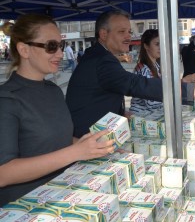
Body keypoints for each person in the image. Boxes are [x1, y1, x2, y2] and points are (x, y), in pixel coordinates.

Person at [0, 13, 115, 207]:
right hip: (27, 207)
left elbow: (56, 138)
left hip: (64, 196)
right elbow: (3, 173)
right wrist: (76, 152)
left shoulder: (53, 90)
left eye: (60, 46)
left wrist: (92, 146)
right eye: (51, 46)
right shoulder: (6, 99)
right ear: (24, 50)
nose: (61, 54)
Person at [66, 10, 195, 138]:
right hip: (86, 139)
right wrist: (190, 89)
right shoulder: (101, 59)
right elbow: (135, 84)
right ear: (103, 34)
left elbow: (105, 91)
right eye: (121, 32)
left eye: (129, 31)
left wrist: (120, 112)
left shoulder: (99, 56)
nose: (128, 36)